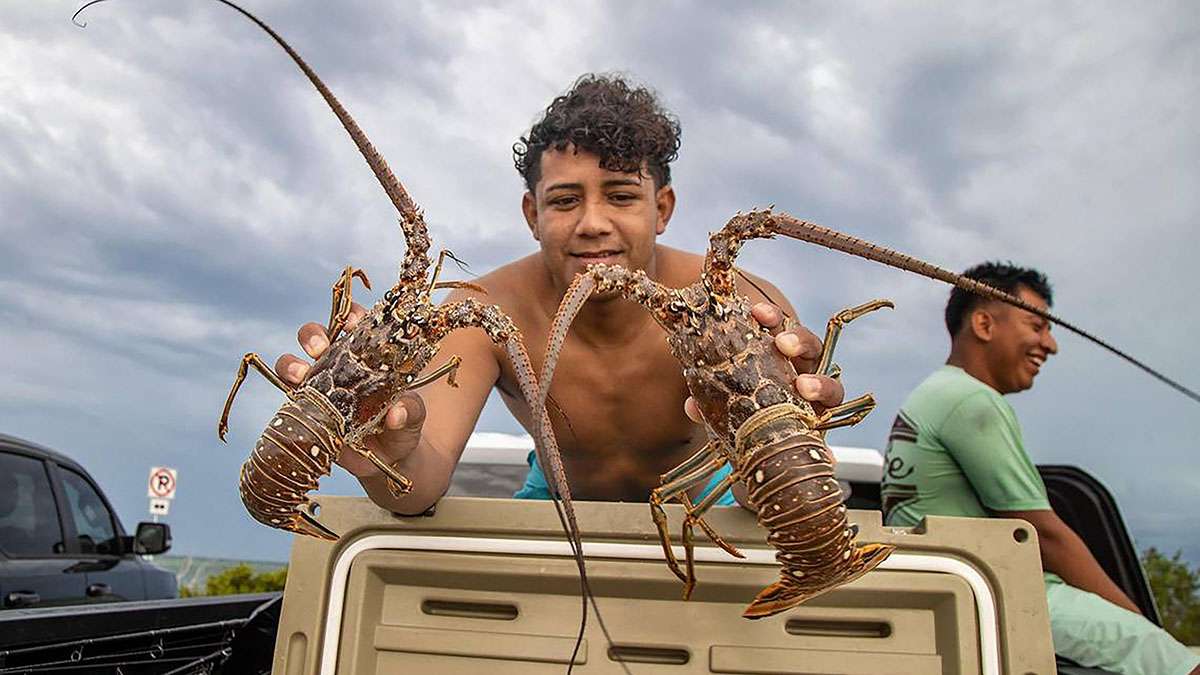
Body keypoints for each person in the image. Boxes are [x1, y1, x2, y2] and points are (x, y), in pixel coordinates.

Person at [274, 74, 846, 515]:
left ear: (662, 208)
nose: (593, 223)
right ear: (533, 214)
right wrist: (387, 455)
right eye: (565, 200)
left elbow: (764, 491)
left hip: (707, 495)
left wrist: (795, 437)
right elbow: (420, 480)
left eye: (621, 196)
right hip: (554, 500)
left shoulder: (739, 300)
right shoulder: (481, 309)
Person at [880, 261, 1199, 675]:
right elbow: (1044, 534)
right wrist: (1143, 627)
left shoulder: (935, 394)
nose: (1050, 344)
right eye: (1036, 325)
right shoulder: (971, 400)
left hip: (956, 591)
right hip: (1002, 593)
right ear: (984, 324)